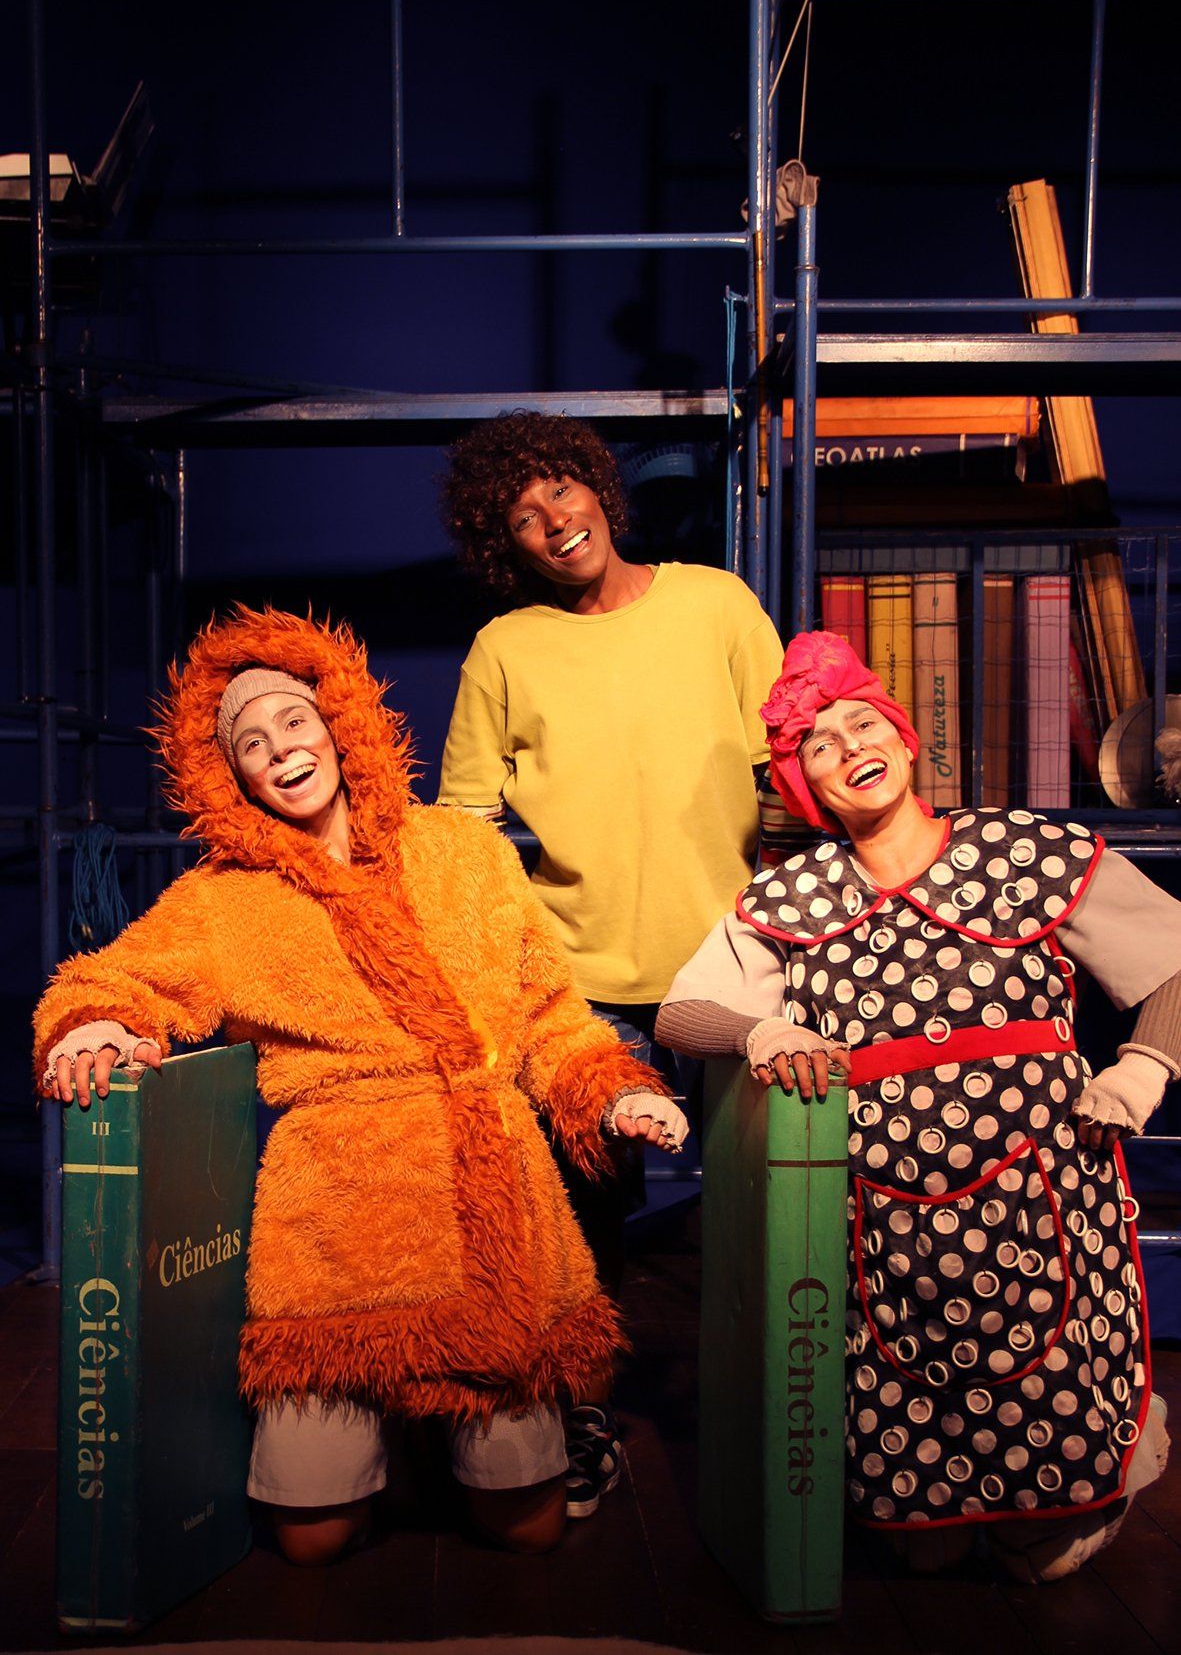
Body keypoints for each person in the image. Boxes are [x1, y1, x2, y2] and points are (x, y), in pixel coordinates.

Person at [35, 606, 686, 1566]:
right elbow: (115, 979)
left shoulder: (463, 851)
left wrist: (609, 1089)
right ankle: (395, 1433)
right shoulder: (221, 900)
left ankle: (464, 1435)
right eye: (252, 745)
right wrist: (93, 1021)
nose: (282, 752)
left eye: (294, 722)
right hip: (337, 1218)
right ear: (232, 776)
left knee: (526, 1531)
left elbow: (549, 1011)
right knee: (312, 1541)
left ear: (339, 724)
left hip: (490, 1212)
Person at [656, 629, 1179, 1582]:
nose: (848, 746)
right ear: (807, 788)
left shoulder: (1022, 851)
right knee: (919, 1549)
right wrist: (758, 1033)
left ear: (903, 740)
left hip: (1036, 1196)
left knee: (1041, 1549)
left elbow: (1173, 956)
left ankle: (1084, 1489)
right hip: (889, 1224)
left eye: (864, 725)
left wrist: (1140, 1070)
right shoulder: (795, 895)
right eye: (819, 745)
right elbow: (680, 1013)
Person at [438, 410, 783, 1514]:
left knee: (770, 1205)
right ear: (505, 546)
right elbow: (462, 824)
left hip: (737, 970)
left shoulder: (714, 603)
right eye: (521, 517)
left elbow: (787, 757)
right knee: (582, 1220)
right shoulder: (506, 648)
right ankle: (579, 1415)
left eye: (560, 489)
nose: (553, 521)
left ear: (597, 486)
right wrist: (503, 956)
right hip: (583, 984)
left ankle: (780, 1419)